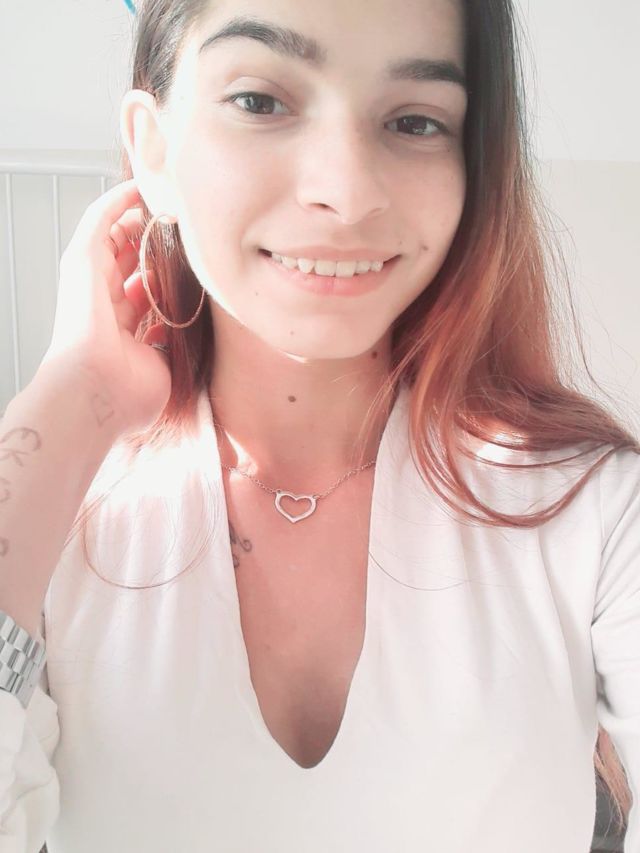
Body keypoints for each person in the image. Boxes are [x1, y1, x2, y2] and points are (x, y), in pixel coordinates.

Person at [0, 0, 638, 850]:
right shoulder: (55, 512)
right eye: (260, 101)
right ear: (153, 149)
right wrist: (72, 398)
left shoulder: (595, 509)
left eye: (415, 120)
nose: (346, 192)